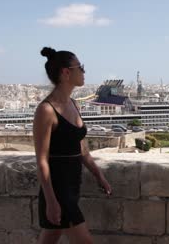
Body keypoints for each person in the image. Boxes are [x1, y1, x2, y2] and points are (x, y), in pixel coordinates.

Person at [34, 47, 112, 244]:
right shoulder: (46, 110)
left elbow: (82, 149)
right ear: (66, 72)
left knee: (49, 238)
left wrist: (98, 174)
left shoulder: (73, 104)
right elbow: (42, 160)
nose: (84, 72)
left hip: (72, 185)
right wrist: (51, 201)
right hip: (58, 189)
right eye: (81, 67)